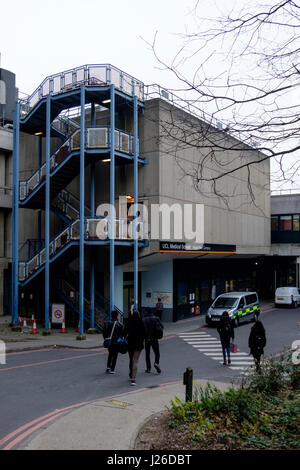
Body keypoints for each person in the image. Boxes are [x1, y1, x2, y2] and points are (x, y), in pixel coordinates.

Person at [123, 310, 146, 386]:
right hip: (138, 344)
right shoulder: (141, 323)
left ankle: (130, 374)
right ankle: (133, 379)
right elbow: (144, 334)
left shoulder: (129, 323)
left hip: (130, 343)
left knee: (131, 359)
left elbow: (123, 333)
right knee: (135, 361)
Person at [142, 307, 164, 374]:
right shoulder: (156, 318)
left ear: (146, 312)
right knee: (157, 353)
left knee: (147, 354)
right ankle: (156, 363)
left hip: (147, 339)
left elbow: (141, 330)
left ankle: (148, 368)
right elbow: (162, 327)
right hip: (154, 338)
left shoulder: (143, 319)